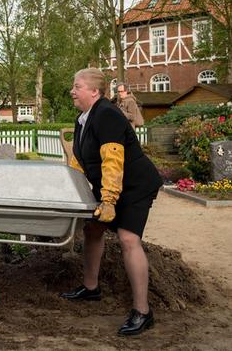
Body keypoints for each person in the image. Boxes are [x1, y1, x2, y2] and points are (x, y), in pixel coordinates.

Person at [61, 68, 163, 336]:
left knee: (129, 239)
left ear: (94, 91)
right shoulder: (83, 119)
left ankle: (143, 311)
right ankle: (91, 288)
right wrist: (70, 191)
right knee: (93, 229)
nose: (72, 91)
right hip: (112, 186)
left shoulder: (107, 114)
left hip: (134, 185)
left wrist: (108, 201)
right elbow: (78, 162)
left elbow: (113, 160)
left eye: (77, 86)